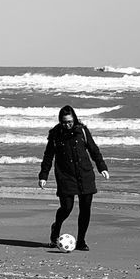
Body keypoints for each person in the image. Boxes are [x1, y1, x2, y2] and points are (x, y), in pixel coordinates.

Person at [38, 104, 109, 251]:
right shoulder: (55, 134)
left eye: (70, 121)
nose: (67, 125)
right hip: (65, 176)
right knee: (66, 208)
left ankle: (81, 240)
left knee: (85, 209)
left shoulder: (82, 131)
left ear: (74, 119)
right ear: (60, 121)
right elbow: (48, 156)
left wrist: (102, 167)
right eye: (64, 122)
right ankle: (56, 228)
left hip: (85, 174)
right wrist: (43, 175)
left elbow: (94, 150)